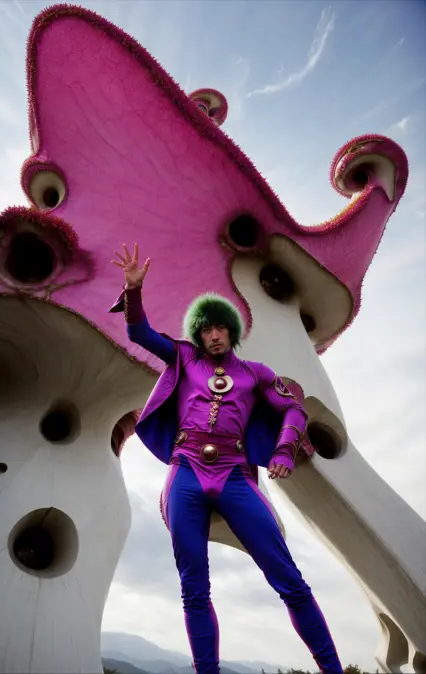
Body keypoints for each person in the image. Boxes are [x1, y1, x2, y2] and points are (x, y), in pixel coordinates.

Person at [110, 243, 343, 674]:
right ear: (198, 334)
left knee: (290, 579)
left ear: (231, 331)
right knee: (194, 589)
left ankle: (333, 669)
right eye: (206, 330)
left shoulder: (256, 373)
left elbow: (294, 409)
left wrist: (284, 451)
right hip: (185, 472)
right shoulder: (184, 357)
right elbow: (140, 334)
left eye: (220, 328)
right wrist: (133, 290)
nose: (213, 335)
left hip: (235, 475)